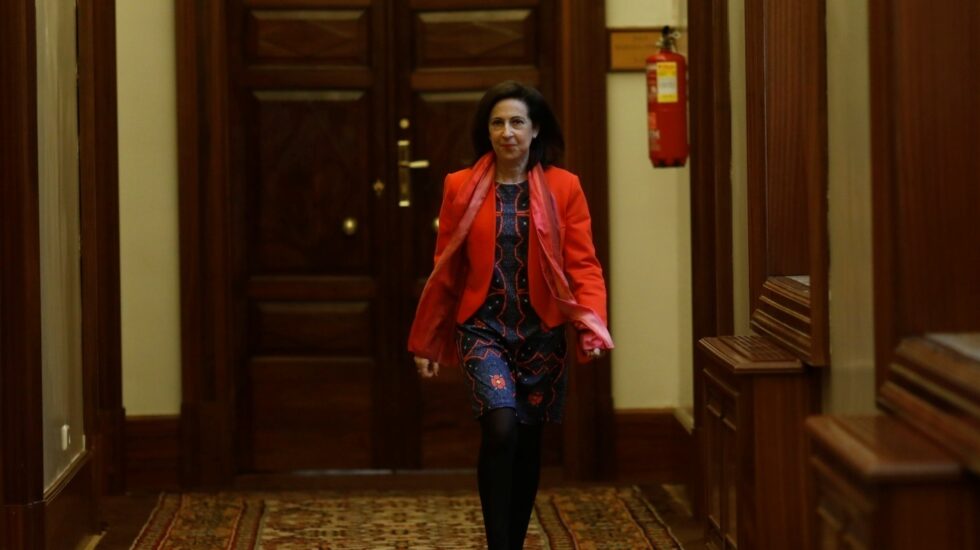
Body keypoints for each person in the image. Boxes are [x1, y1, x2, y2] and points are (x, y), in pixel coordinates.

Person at [407, 81, 613, 550]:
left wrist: (592, 323)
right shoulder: (459, 186)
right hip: (483, 328)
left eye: (517, 122)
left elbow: (583, 263)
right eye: (497, 123)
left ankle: (513, 543)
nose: (507, 132)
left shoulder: (566, 187)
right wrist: (427, 341)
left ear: (535, 129)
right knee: (500, 428)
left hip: (543, 333)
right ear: (488, 131)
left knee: (527, 441)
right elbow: (446, 269)